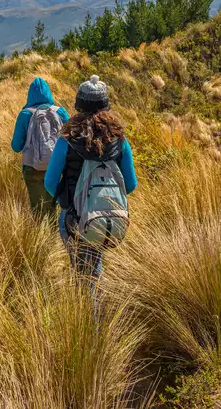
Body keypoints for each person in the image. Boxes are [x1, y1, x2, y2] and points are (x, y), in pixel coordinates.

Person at [44, 75, 137, 286]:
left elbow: (49, 182)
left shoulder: (67, 140)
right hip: (110, 217)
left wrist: (68, 203)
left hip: (74, 218)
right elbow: (130, 185)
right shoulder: (119, 140)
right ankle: (94, 309)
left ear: (78, 105)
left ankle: (89, 315)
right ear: (105, 106)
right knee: (94, 264)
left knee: (82, 271)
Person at [11, 77, 70, 218]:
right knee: (54, 207)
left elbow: (16, 146)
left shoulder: (25, 114)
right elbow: (71, 140)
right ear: (49, 93)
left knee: (37, 208)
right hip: (56, 167)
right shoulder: (60, 112)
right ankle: (54, 235)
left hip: (32, 168)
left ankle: (38, 237)